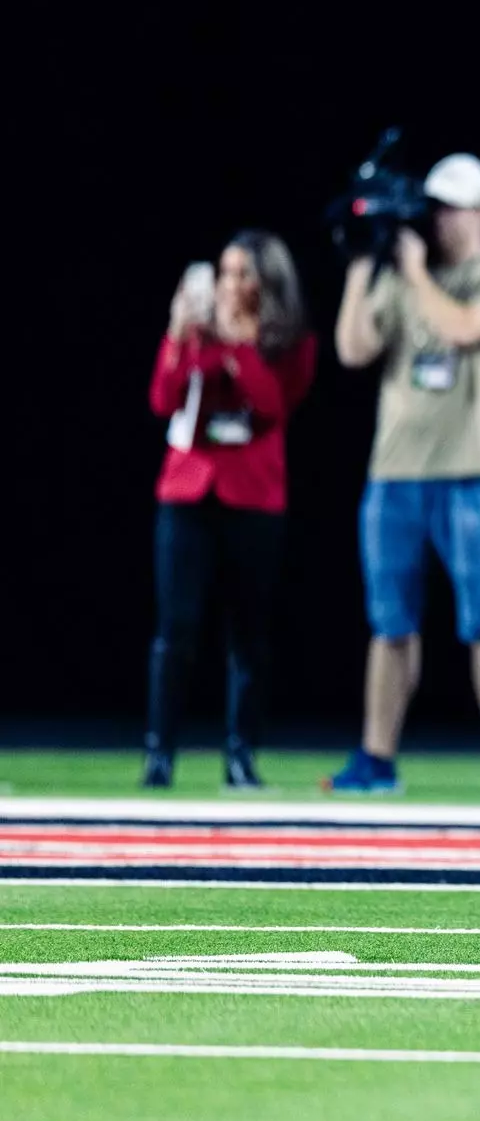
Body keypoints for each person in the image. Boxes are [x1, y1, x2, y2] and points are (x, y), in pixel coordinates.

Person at [328, 153, 480, 794]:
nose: (442, 221)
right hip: (396, 472)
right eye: (435, 208)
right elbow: (353, 348)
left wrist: (412, 273)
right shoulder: (402, 272)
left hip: (472, 470)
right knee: (390, 622)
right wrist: (364, 264)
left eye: (455, 207)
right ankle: (376, 757)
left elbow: (464, 329)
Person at [144, 232, 316, 788]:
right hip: (188, 492)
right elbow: (162, 400)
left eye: (242, 274)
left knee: (248, 631)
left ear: (267, 282)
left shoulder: (289, 341)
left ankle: (241, 752)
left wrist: (240, 347)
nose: (230, 285)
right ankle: (160, 751)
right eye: (224, 273)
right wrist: (178, 336)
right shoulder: (195, 331)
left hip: (254, 495)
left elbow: (273, 407)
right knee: (177, 629)